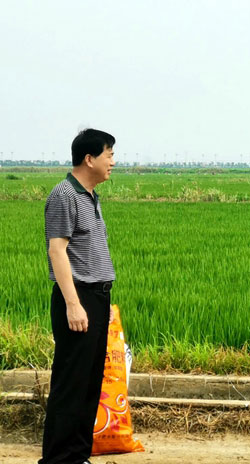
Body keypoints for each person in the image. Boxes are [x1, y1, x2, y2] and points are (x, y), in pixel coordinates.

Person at [40, 129, 117, 464]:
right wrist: (73, 304)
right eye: (109, 155)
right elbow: (57, 251)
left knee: (88, 383)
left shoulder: (89, 195)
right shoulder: (65, 195)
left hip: (95, 298)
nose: (113, 162)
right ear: (89, 159)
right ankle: (58, 459)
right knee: (71, 382)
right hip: (78, 297)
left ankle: (77, 455)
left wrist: (101, 302)